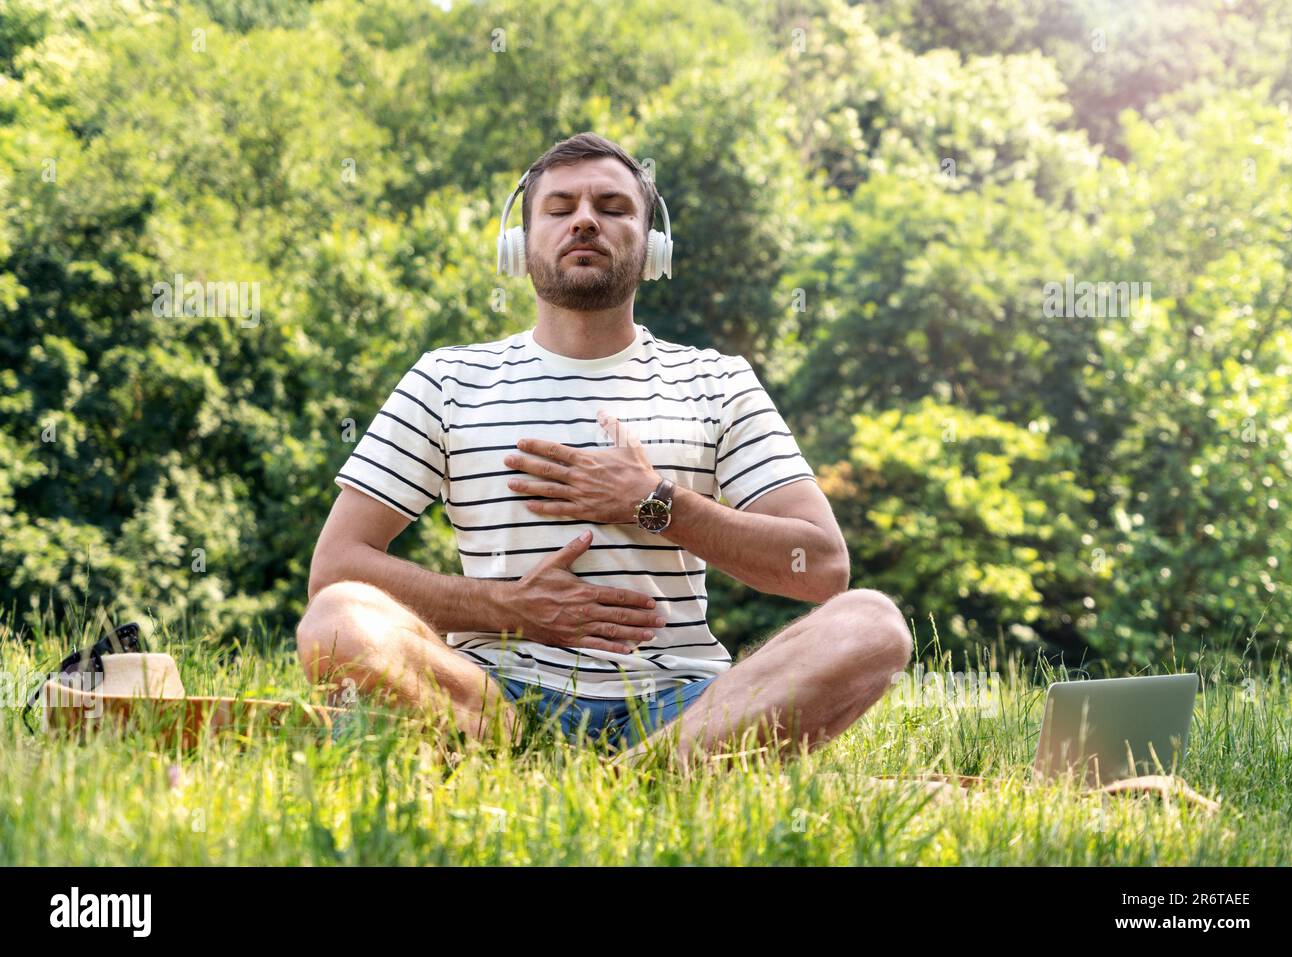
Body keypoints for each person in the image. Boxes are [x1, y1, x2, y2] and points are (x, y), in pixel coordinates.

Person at [295, 132, 911, 770]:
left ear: (652, 246)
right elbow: (337, 567)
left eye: (613, 207)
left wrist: (655, 503)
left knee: (872, 625)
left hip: (681, 704)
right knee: (337, 619)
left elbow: (820, 567)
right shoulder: (447, 380)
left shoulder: (718, 380)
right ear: (520, 243)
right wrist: (509, 610)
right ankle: (538, 762)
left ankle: (646, 774)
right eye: (560, 209)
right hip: (494, 701)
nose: (585, 219)